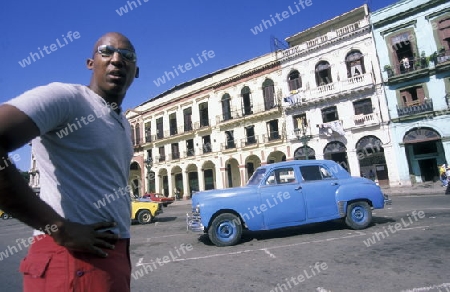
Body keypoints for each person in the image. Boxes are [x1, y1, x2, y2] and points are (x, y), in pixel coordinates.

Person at [0, 32, 139, 292]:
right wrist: (59, 228)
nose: (117, 59)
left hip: (111, 256)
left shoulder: (123, 123)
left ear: (136, 71)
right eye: (106, 51)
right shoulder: (66, 99)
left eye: (127, 56)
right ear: (90, 63)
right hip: (70, 259)